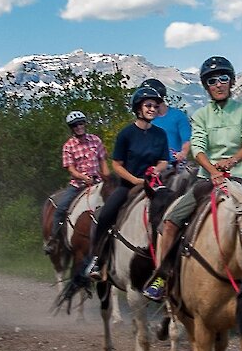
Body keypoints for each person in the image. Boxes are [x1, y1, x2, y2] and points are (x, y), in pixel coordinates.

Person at [142, 56, 242, 301]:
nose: (218, 84)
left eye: (223, 78)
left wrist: (232, 161)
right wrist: (213, 171)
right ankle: (163, 276)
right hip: (207, 179)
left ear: (232, 81)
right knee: (172, 221)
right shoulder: (201, 115)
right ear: (206, 86)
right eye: (212, 81)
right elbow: (198, 147)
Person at [82, 84, 170, 281]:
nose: (152, 109)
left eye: (155, 106)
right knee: (105, 215)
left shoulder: (160, 134)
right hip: (128, 186)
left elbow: (164, 160)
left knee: (174, 213)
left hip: (155, 185)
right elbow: (117, 165)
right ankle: (97, 259)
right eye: (148, 105)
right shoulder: (126, 134)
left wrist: (157, 169)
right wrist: (135, 180)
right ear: (138, 108)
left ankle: (170, 264)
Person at [50, 110, 110, 245]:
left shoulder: (96, 140)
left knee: (114, 202)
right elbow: (71, 169)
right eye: (75, 125)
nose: (79, 127)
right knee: (61, 208)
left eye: (80, 124)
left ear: (84, 124)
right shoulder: (68, 146)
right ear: (72, 128)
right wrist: (83, 177)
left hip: (98, 182)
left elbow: (103, 162)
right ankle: (54, 239)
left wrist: (108, 178)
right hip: (78, 184)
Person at [140, 78, 191, 165]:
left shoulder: (178, 115)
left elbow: (186, 140)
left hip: (175, 163)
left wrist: (183, 153)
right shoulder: (145, 120)